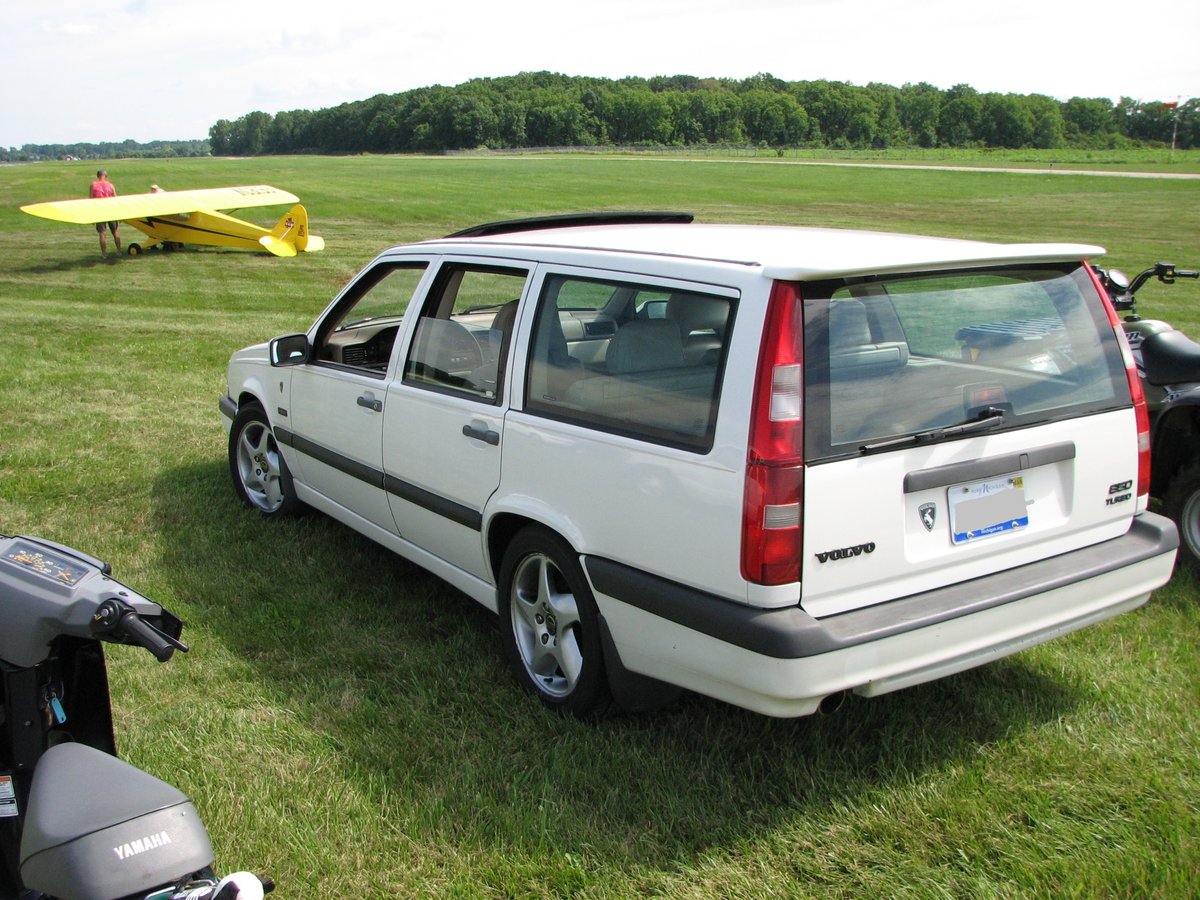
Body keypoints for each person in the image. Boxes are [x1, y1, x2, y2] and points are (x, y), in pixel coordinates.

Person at [89, 169, 122, 257]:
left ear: (98, 176)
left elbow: (91, 200)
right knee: (115, 232)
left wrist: (91, 215)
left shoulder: (93, 185)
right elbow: (115, 199)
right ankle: (119, 251)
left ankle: (104, 254)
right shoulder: (110, 185)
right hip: (110, 211)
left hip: (99, 211)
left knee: (102, 233)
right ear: (106, 176)